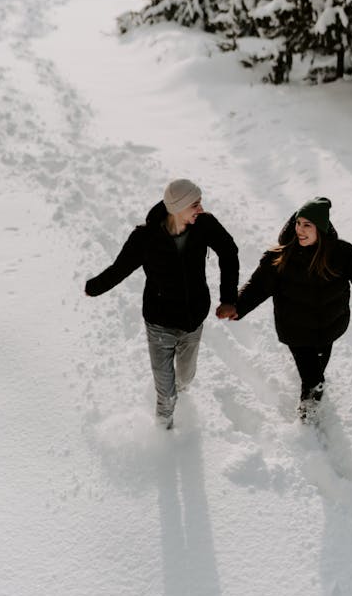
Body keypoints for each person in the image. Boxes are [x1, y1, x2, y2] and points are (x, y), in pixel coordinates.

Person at [218, 196, 352, 420]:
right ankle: (307, 419)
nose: (300, 230)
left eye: (307, 225)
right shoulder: (281, 257)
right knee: (314, 381)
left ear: (320, 229)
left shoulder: (340, 253)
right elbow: (257, 287)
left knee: (318, 370)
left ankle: (311, 401)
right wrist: (238, 306)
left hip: (329, 328)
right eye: (298, 223)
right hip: (297, 331)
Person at [85, 178, 239, 429]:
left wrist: (229, 299)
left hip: (193, 319)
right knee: (166, 396)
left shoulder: (205, 225)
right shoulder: (145, 237)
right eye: (195, 205)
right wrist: (93, 288)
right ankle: (163, 437)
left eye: (200, 203)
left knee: (186, 377)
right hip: (160, 322)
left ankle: (178, 389)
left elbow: (229, 252)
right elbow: (120, 268)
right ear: (177, 207)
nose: (200, 209)